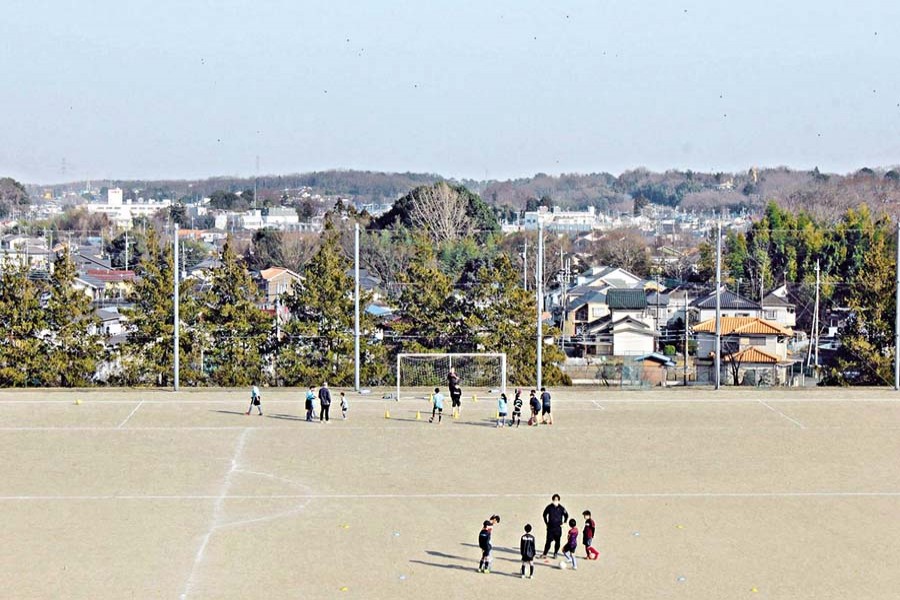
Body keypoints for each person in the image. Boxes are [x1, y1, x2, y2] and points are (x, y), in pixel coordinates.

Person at [541, 494, 568, 559]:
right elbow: (544, 514)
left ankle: (555, 553)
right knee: (548, 541)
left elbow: (566, 515)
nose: (555, 501)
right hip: (550, 528)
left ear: (559, 500)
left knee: (557, 542)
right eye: (554, 500)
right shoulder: (549, 507)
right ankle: (545, 554)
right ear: (552, 500)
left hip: (558, 528)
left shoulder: (561, 508)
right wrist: (546, 523)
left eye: (557, 500)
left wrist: (564, 523)